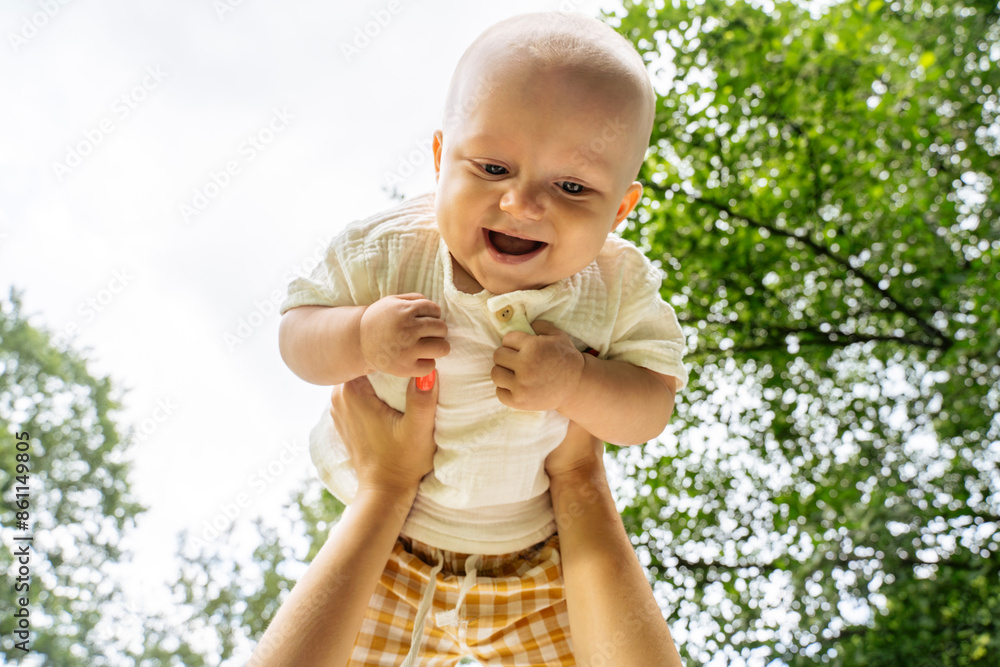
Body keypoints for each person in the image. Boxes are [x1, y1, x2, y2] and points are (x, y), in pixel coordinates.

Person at [278, 11, 689, 663]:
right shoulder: (387, 253)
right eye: (494, 167)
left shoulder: (617, 287)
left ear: (619, 210)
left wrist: (580, 380)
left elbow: (651, 407)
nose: (522, 204)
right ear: (441, 159)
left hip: (536, 566)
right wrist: (360, 335)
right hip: (389, 553)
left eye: (572, 186)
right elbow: (297, 335)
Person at [249, 374, 682, 666]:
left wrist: (386, 486)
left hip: (516, 561)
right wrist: (579, 473)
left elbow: (655, 388)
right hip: (404, 554)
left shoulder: (614, 283)